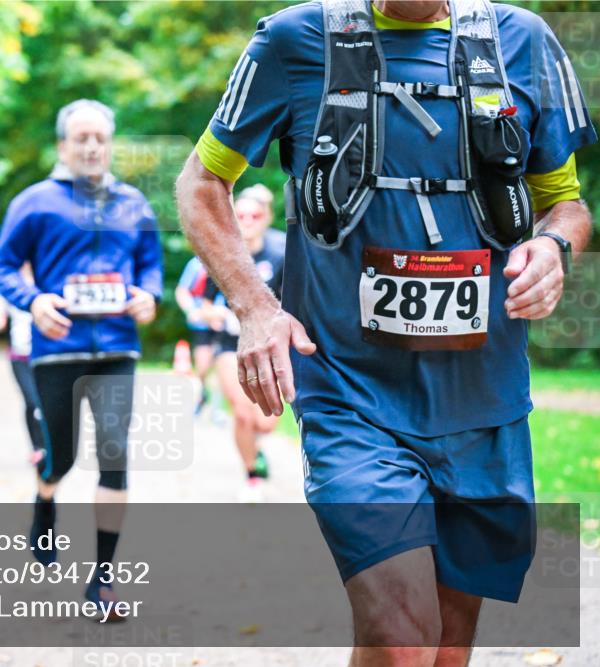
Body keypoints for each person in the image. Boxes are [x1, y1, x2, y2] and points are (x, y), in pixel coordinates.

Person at [176, 0, 595, 664]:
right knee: (401, 633)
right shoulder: (295, 40)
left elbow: (564, 206)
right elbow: (201, 183)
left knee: (448, 646)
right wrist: (256, 308)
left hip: (482, 401)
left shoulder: (522, 41)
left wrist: (553, 251)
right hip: (351, 393)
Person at [0, 99, 162, 619]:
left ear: (110, 145)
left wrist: (149, 295)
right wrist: (33, 300)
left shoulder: (134, 204)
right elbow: (0, 266)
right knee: (60, 455)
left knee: (114, 451)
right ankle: (45, 500)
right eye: (81, 138)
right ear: (63, 146)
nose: (91, 146)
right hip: (56, 348)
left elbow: (150, 266)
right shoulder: (34, 202)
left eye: (100, 138)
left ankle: (102, 581)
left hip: (117, 346)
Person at [201, 185, 284, 502]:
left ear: (267, 218)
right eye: (242, 215)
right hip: (229, 344)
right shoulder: (222, 253)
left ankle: (257, 447)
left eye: (256, 215)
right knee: (242, 414)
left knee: (265, 423)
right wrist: (217, 315)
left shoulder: (280, 253)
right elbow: (206, 302)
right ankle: (252, 475)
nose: (248, 220)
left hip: (269, 347)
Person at [0, 262, 46, 465]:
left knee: (47, 401)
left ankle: (50, 445)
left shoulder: (47, 276)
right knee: (32, 401)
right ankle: (38, 448)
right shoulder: (8, 285)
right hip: (20, 355)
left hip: (46, 353)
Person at [174, 256, 215, 413]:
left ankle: (215, 408)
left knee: (224, 365)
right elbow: (182, 290)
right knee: (203, 366)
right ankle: (202, 398)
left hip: (227, 325)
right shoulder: (196, 264)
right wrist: (191, 310)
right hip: (202, 325)